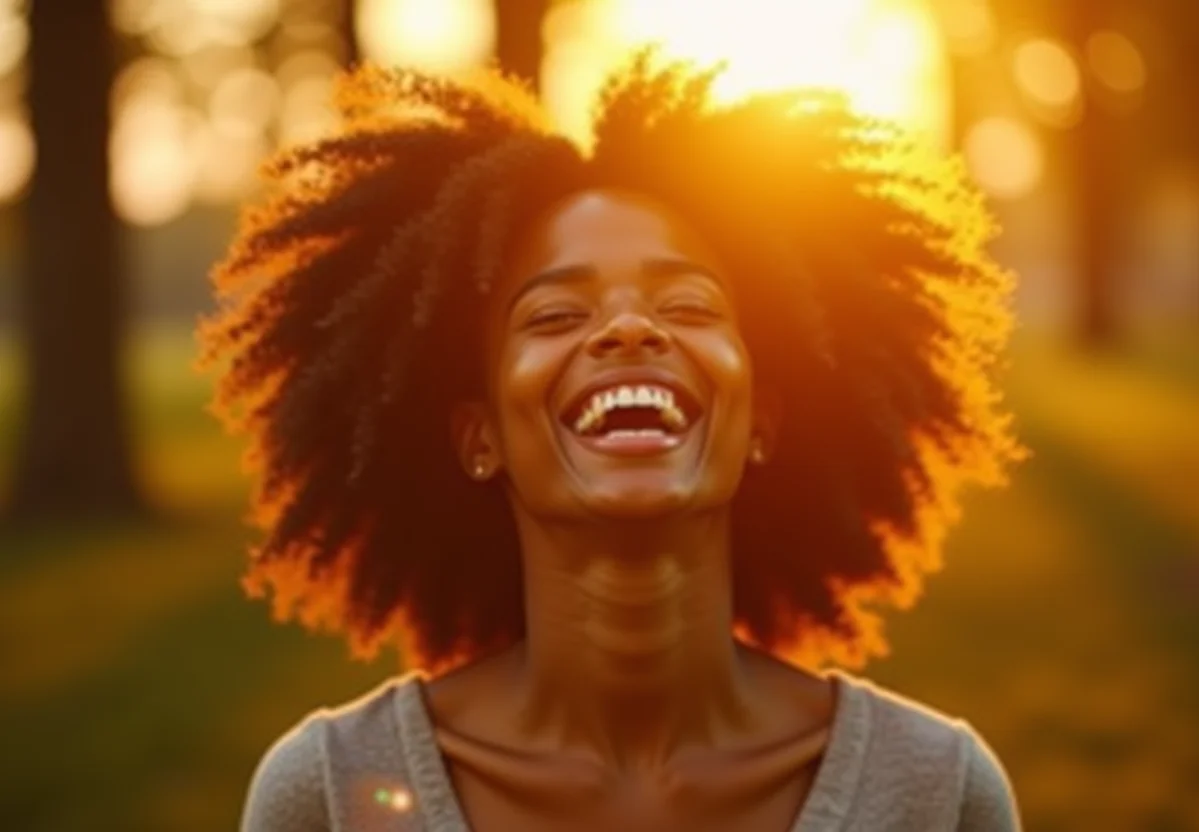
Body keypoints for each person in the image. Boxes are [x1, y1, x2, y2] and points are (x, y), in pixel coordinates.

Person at [200, 49, 1023, 832]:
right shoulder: (331, 795)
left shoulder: (937, 792)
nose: (630, 329)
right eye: (556, 315)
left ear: (761, 422)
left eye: (689, 307)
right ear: (478, 437)